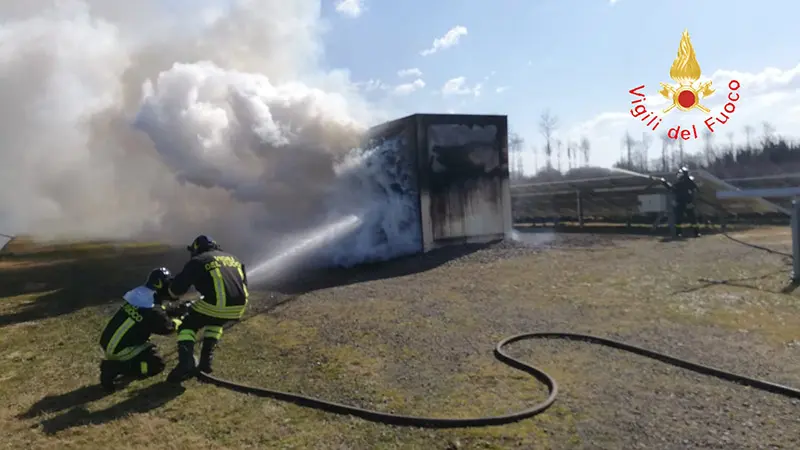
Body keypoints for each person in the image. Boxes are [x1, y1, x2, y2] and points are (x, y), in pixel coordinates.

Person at [165, 235, 249, 383]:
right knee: (216, 321)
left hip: (216, 305)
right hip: (238, 307)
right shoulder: (234, 259)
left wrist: (171, 297)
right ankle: (205, 362)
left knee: (187, 325)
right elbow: (243, 284)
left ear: (196, 249)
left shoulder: (198, 261)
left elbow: (177, 289)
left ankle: (186, 363)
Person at [98, 267, 190, 391]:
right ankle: (116, 368)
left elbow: (154, 313)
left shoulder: (141, 295)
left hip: (109, 341)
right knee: (156, 364)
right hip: (121, 349)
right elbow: (167, 328)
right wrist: (182, 318)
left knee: (147, 350)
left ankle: (119, 363)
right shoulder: (152, 309)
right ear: (161, 285)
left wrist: (174, 310)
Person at [659, 166, 700, 238]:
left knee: (682, 219)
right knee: (685, 219)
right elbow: (695, 190)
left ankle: (682, 233)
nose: (679, 175)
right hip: (684, 203)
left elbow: (671, 188)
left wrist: (664, 182)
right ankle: (694, 233)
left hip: (685, 203)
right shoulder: (688, 182)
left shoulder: (684, 182)